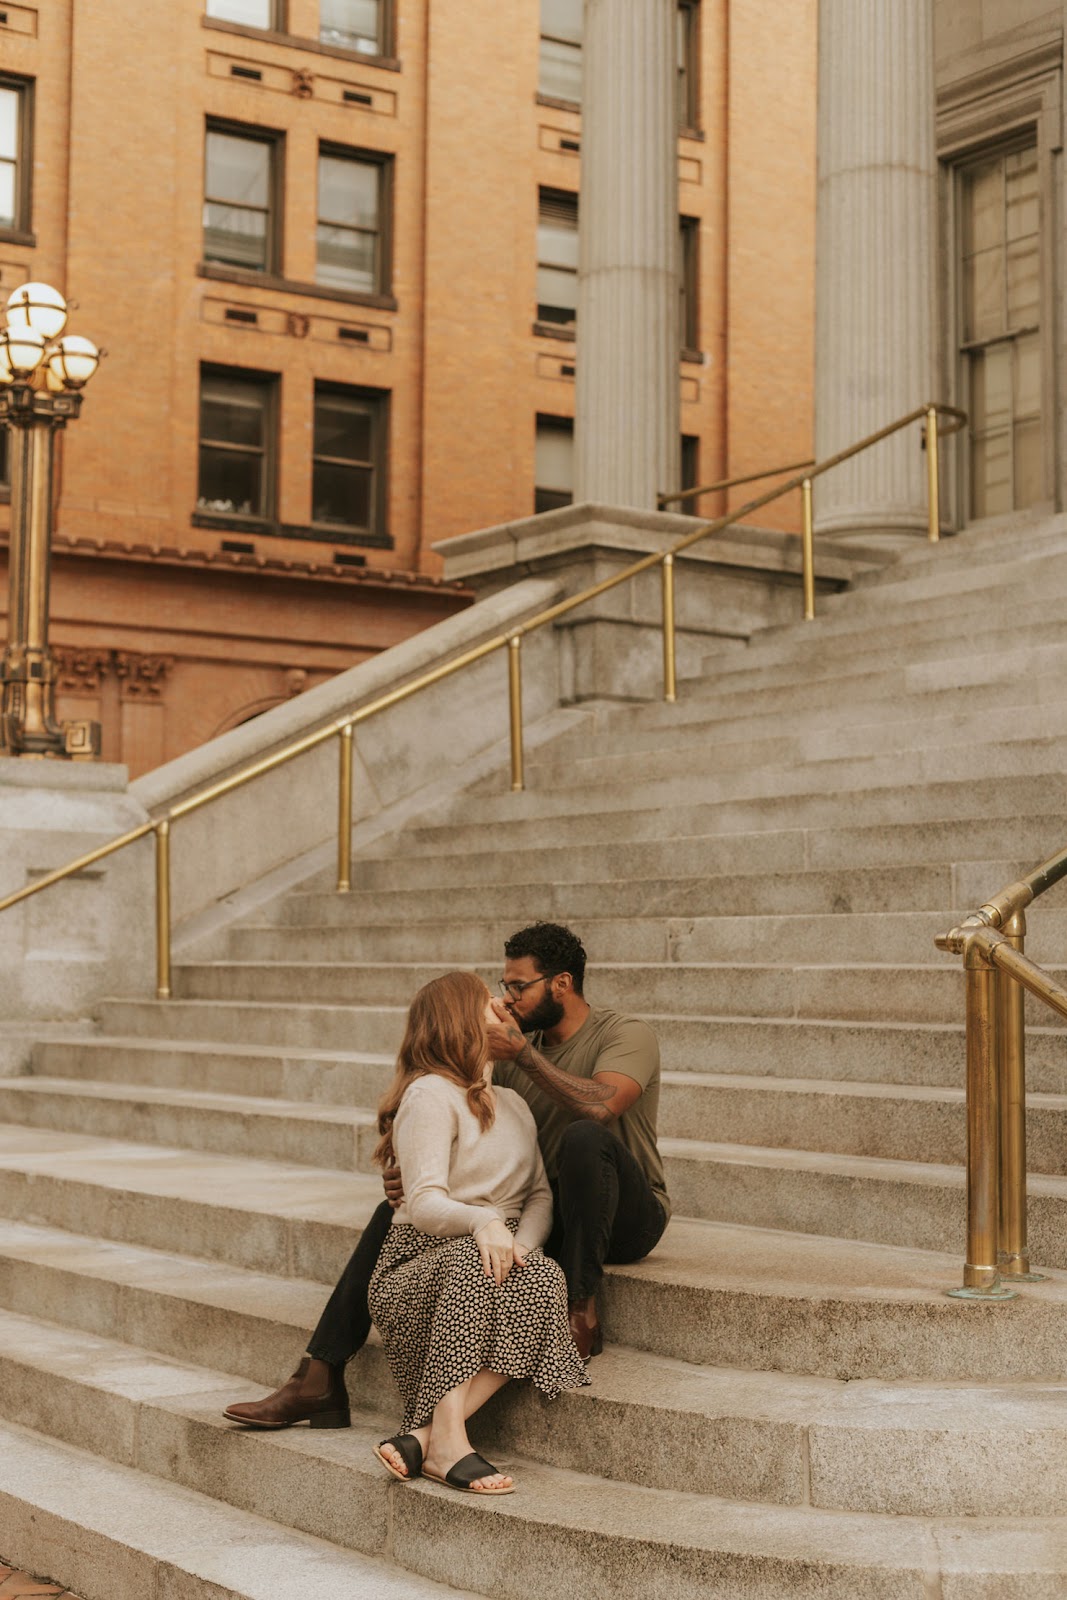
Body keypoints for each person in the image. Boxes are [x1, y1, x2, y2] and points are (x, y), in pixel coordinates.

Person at [223, 922, 669, 1436]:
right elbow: (477, 1131)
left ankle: (580, 1309)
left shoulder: (624, 1034)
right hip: (545, 1208)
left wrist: (523, 1054)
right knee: (395, 1212)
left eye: (519, 986)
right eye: (503, 987)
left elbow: (602, 1105)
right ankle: (320, 1373)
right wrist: (416, 1178)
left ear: (562, 984)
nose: (508, 998)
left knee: (584, 1139)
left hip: (624, 1215)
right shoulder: (508, 1061)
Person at [366, 969, 587, 1494]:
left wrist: (522, 1246)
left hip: (496, 1247)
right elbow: (421, 1203)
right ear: (461, 1019)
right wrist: (484, 1221)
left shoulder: (513, 1105)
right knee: (471, 1260)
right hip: (417, 1261)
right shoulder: (429, 1095)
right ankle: (451, 1444)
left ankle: (429, 1436)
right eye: (491, 1005)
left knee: (546, 1278)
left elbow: (539, 1195)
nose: (505, 1010)